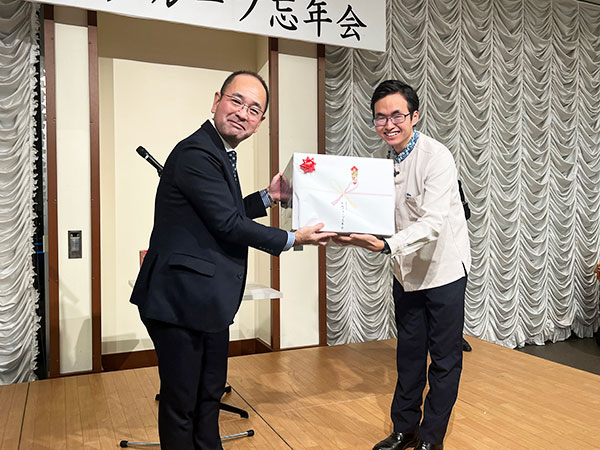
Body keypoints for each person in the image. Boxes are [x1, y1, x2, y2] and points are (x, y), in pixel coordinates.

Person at [130, 71, 334, 450]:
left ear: (259, 122)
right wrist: (294, 238)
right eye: (236, 101)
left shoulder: (217, 152)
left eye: (254, 109)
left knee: (208, 396)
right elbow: (227, 223)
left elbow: (223, 212)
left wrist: (268, 197)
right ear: (216, 101)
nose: (243, 113)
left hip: (206, 301)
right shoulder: (197, 153)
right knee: (182, 404)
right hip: (179, 300)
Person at [334, 80, 471, 450]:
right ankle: (404, 429)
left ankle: (431, 438)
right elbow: (378, 216)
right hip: (406, 272)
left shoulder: (436, 157)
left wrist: (384, 245)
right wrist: (345, 227)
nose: (388, 124)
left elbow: (433, 223)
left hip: (443, 270)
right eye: (380, 117)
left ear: (414, 116)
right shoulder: (382, 164)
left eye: (397, 115)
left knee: (444, 359)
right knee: (409, 354)